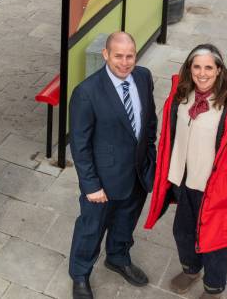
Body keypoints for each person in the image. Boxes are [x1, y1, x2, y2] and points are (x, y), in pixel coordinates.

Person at [144, 44, 227, 298]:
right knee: (183, 231)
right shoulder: (181, 93)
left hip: (213, 187)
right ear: (190, 69)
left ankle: (213, 288)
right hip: (181, 180)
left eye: (208, 67)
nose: (202, 73)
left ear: (219, 70)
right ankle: (191, 269)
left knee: (213, 240)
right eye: (197, 66)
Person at [68, 32, 157, 299]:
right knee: (90, 229)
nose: (125, 62)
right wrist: (91, 186)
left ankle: (118, 257)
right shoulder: (86, 92)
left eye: (130, 55)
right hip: (103, 181)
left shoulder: (143, 77)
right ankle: (80, 275)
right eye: (118, 56)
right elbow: (79, 145)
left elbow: (149, 120)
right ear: (106, 55)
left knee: (126, 222)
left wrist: (149, 155)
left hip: (137, 174)